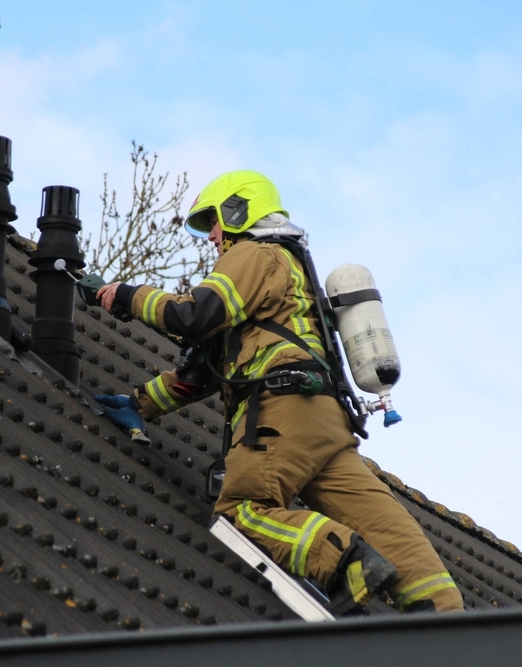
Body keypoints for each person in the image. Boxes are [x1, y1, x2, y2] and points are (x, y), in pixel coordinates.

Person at [95, 170, 463, 614]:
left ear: (238, 211)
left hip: (282, 411)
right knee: (386, 528)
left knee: (241, 510)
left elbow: (192, 316)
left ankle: (345, 560)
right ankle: (444, 618)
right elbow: (203, 372)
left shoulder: (254, 253)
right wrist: (139, 404)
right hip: (324, 422)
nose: (211, 236)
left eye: (214, 221)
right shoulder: (291, 272)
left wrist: (127, 295)